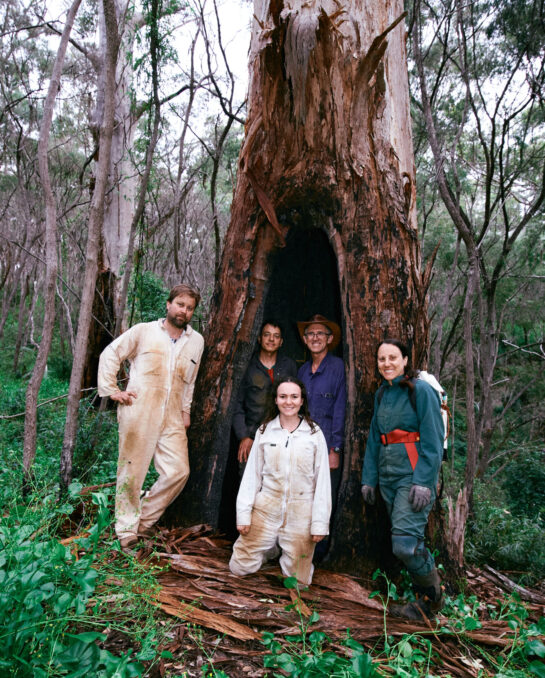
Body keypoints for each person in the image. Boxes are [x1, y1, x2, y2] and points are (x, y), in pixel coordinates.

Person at [97, 284, 204, 551]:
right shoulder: (144, 331)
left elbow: (190, 382)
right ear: (168, 304)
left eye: (189, 308)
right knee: (132, 471)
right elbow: (111, 354)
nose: (184, 311)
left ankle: (141, 521)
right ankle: (126, 532)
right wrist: (112, 391)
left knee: (179, 471)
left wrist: (185, 411)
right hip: (140, 408)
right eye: (180, 304)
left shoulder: (196, 341)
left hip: (172, 415)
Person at [361, 338, 445, 619]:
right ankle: (420, 601)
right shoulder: (381, 394)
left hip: (412, 476)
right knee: (402, 542)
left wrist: (424, 480)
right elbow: (375, 438)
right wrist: (368, 479)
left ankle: (432, 600)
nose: (387, 364)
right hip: (387, 477)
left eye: (393, 358)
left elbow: (434, 441)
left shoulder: (421, 390)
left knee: (406, 545)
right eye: (382, 359)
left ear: (406, 360)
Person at [229, 377, 331, 586]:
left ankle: (286, 550)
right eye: (283, 396)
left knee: (299, 583)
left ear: (302, 401)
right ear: (275, 400)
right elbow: (252, 476)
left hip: (301, 510)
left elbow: (322, 481)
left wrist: (319, 523)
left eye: (294, 397)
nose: (289, 402)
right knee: (238, 568)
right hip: (267, 507)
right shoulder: (265, 431)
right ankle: (270, 547)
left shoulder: (314, 433)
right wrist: (244, 514)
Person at [297, 314, 346, 535]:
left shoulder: (338, 368)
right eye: (311, 334)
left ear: (329, 338)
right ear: (305, 339)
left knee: (324, 498)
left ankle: (321, 548)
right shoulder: (303, 371)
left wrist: (335, 449)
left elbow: (340, 409)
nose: (315, 337)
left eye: (320, 333)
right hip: (303, 444)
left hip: (327, 444)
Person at [232, 320, 297, 464]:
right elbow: (237, 404)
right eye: (267, 335)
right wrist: (243, 436)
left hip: (282, 436)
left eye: (276, 336)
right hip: (252, 436)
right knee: (249, 481)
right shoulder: (248, 366)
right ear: (259, 339)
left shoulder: (289, 366)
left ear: (281, 342)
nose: (271, 339)